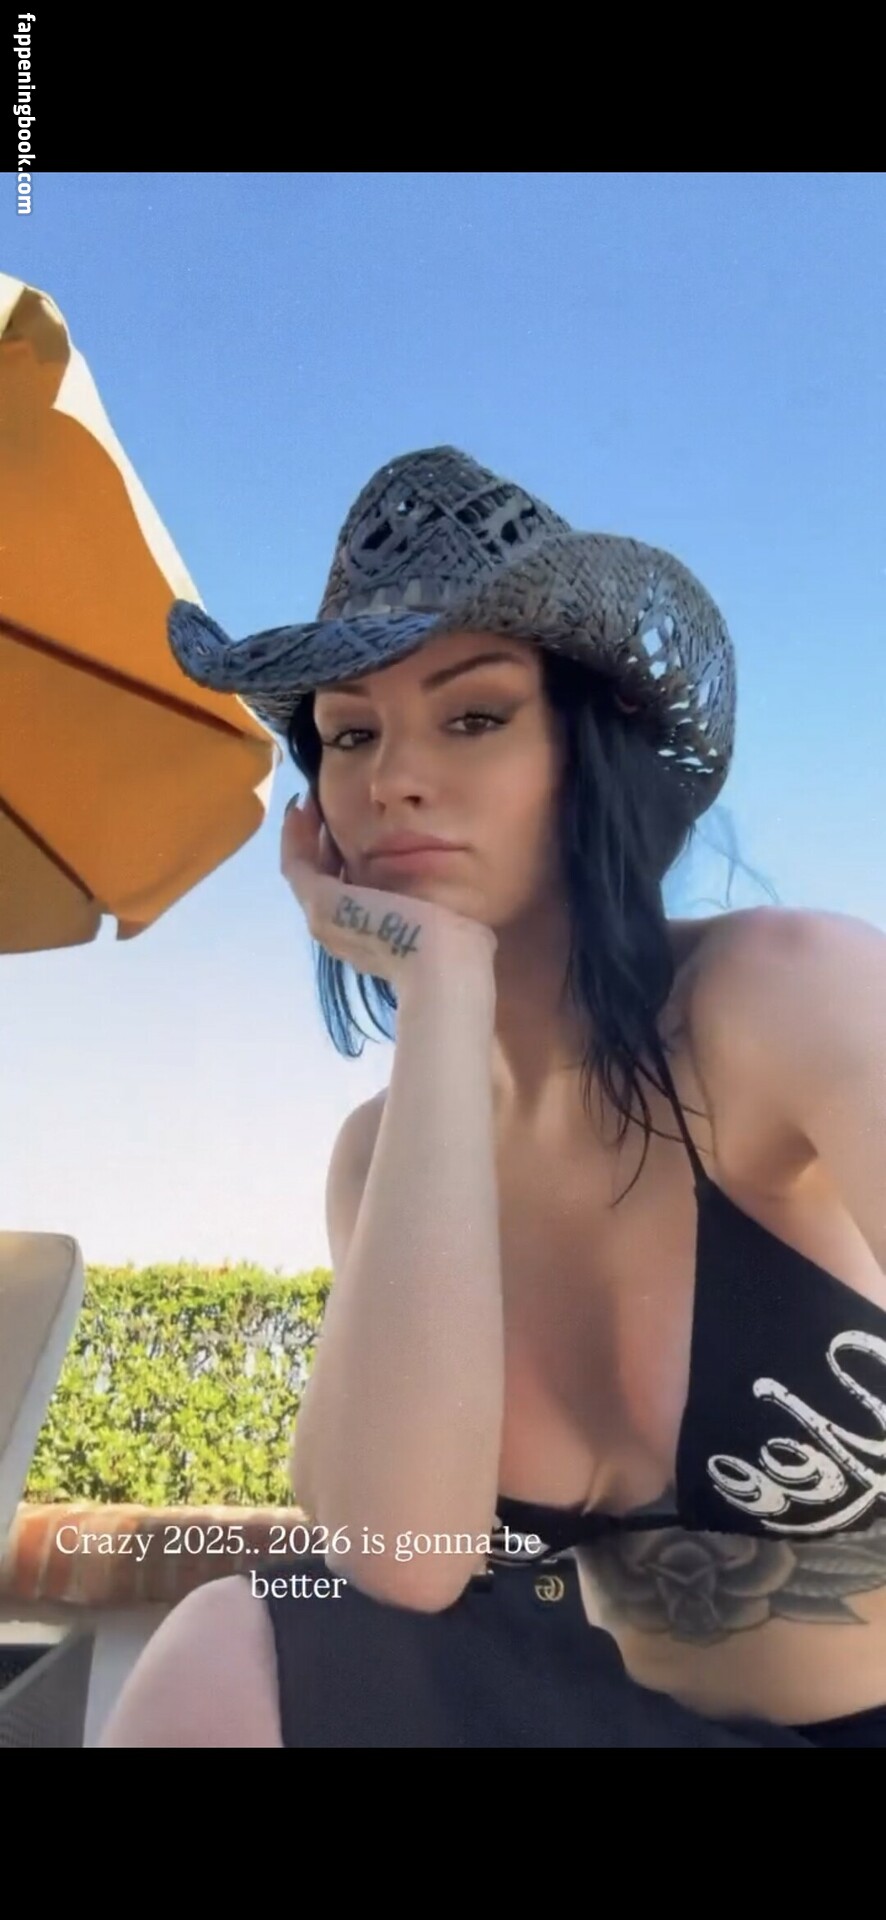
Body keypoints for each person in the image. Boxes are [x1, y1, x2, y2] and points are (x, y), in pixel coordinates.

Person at [101, 446, 886, 1748]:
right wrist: (440, 998)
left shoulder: (788, 994)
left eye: (473, 716)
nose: (393, 777)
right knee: (230, 1634)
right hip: (590, 1712)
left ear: (590, 749)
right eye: (351, 735)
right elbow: (398, 1560)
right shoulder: (382, 1159)